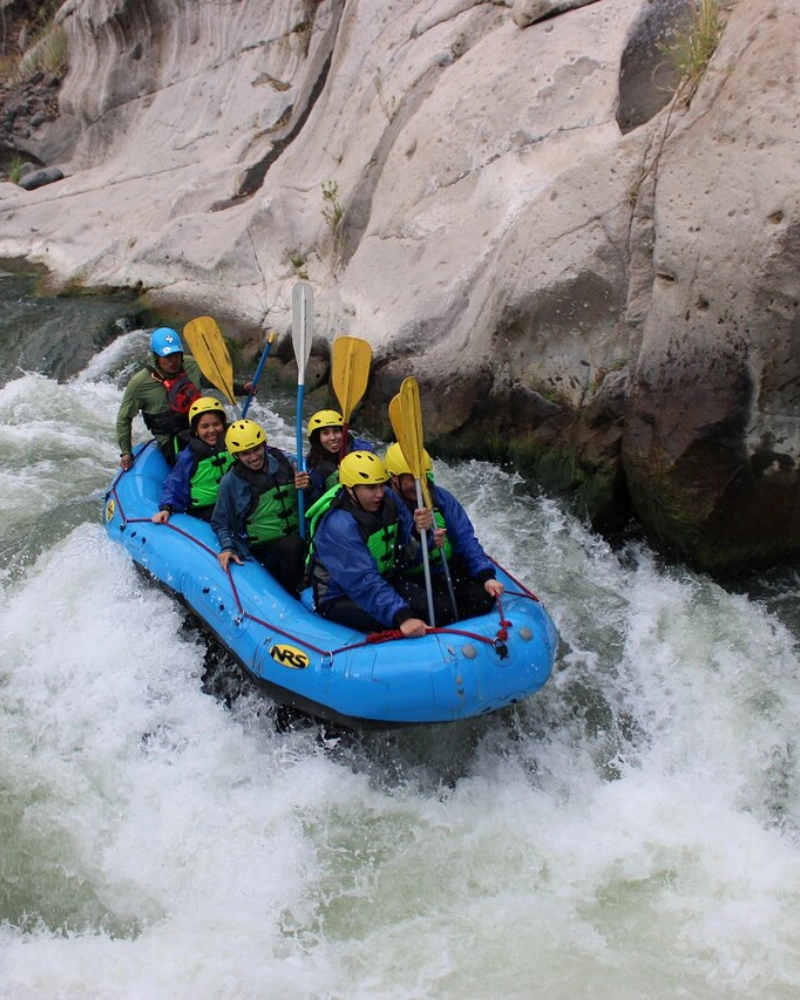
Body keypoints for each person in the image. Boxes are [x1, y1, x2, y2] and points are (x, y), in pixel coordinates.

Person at [305, 450, 449, 637]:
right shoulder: (338, 524)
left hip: (384, 579)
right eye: (371, 488)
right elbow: (362, 580)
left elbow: (407, 548)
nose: (379, 493)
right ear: (350, 489)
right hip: (339, 596)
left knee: (437, 608)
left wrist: (421, 533)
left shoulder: (389, 499)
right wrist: (402, 616)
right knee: (395, 622)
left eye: (381, 485)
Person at [384, 442, 504, 621]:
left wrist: (486, 576)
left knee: (483, 598)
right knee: (440, 610)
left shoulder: (441, 498)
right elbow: (396, 558)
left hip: (442, 568)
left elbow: (465, 538)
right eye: (412, 479)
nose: (419, 484)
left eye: (423, 476)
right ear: (394, 478)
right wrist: (423, 539)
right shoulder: (386, 506)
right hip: (408, 576)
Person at [117, 327, 253, 470]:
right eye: (168, 357)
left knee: (241, 438)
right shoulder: (140, 383)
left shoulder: (191, 365)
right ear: (155, 356)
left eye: (176, 355)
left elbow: (215, 381)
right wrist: (126, 452)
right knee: (200, 452)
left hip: (202, 428)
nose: (174, 361)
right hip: (171, 439)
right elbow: (124, 418)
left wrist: (242, 388)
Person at [211, 418, 311, 595]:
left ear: (264, 445)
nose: (254, 457)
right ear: (236, 456)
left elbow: (312, 503)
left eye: (256, 449)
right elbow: (220, 523)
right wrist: (227, 546)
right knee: (292, 545)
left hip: (301, 537)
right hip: (264, 550)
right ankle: (289, 595)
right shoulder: (231, 482)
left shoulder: (288, 464)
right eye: (245, 453)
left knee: (297, 544)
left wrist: (308, 488)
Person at [151, 396, 233, 524]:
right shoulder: (188, 457)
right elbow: (174, 484)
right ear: (196, 431)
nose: (212, 430)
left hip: (236, 504)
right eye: (204, 426)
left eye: (216, 424)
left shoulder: (234, 444)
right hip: (206, 512)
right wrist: (166, 508)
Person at [305, 409, 373, 499]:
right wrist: (308, 488)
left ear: (342, 432)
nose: (333, 437)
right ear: (318, 438)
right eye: (326, 433)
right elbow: (316, 497)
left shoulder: (362, 449)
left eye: (336, 431)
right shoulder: (315, 463)